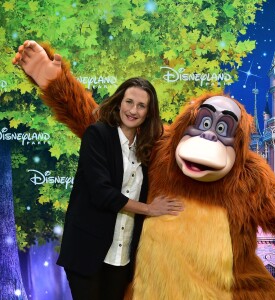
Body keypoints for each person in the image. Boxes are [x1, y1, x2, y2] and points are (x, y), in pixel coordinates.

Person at [12, 41, 184, 300]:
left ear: (149, 112)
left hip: (122, 257)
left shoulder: (149, 148)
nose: (133, 110)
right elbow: (102, 193)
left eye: (141, 106)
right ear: (119, 102)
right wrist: (149, 209)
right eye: (129, 102)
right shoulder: (98, 134)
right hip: (87, 252)